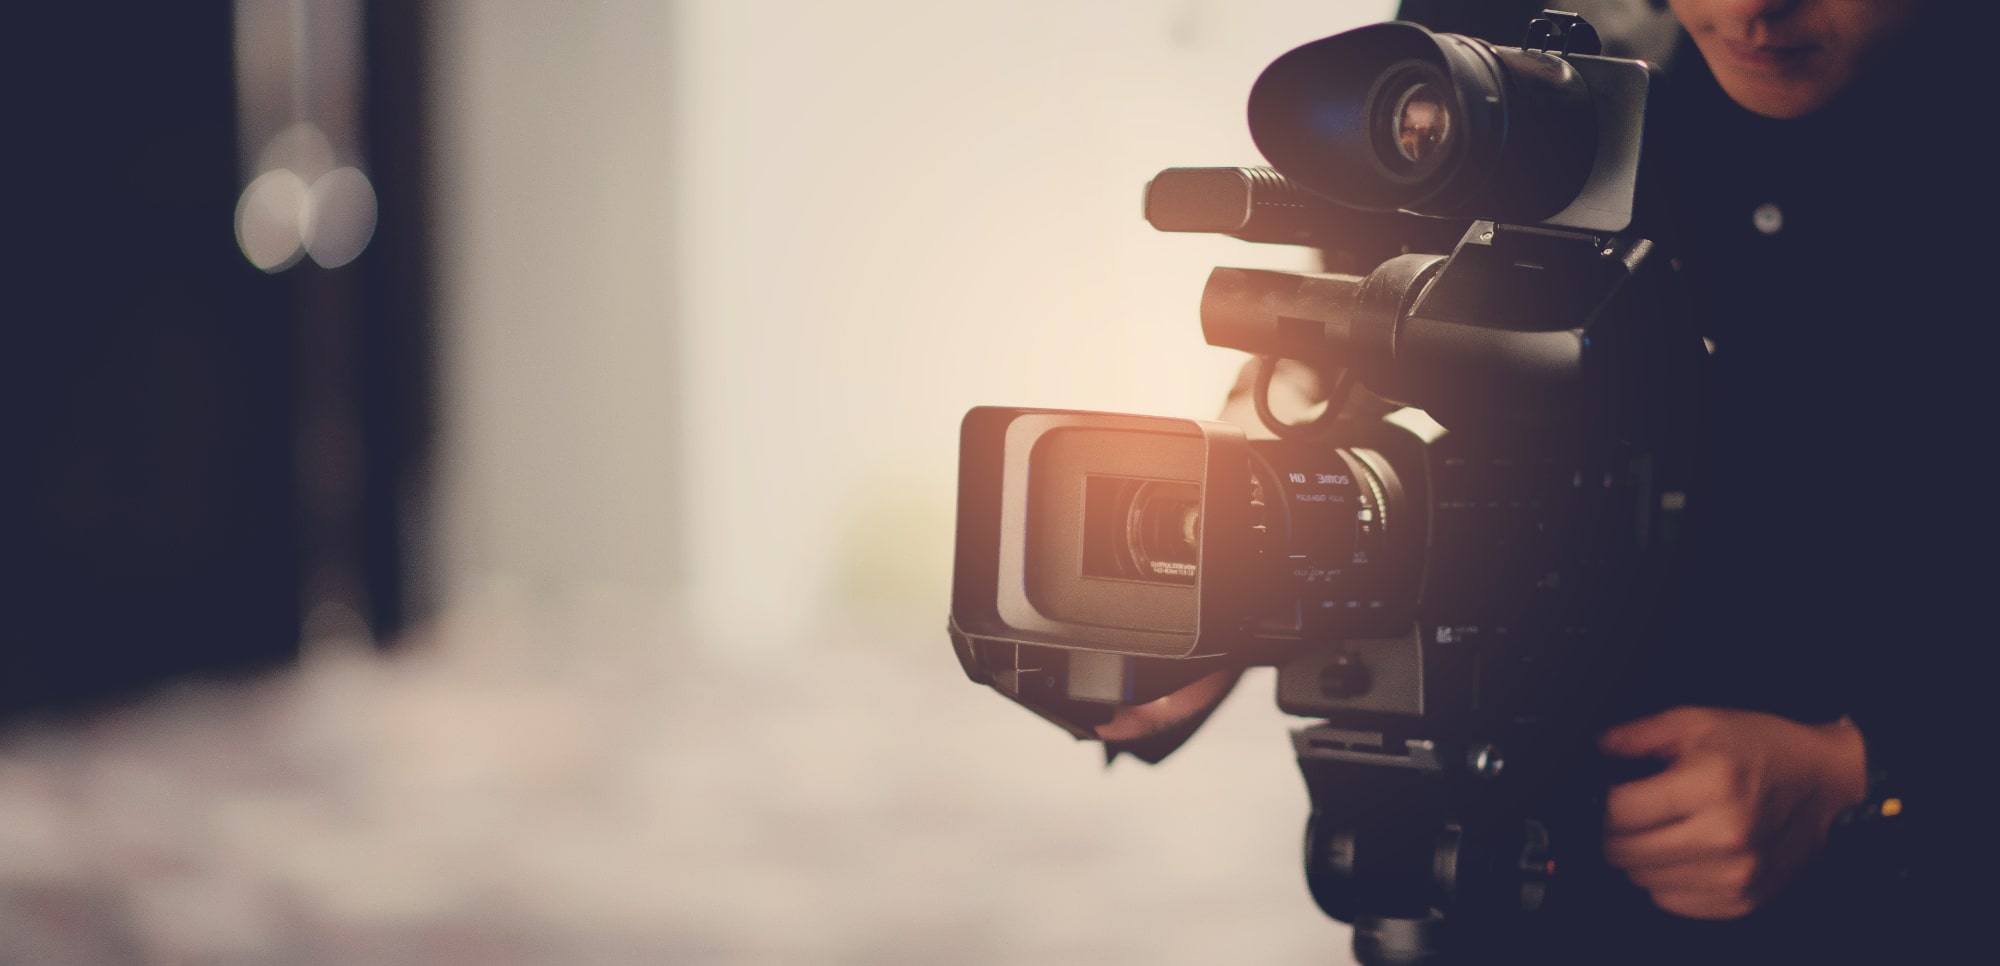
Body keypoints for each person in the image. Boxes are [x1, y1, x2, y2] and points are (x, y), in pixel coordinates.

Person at [1097, 0, 1986, 960]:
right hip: (1486, 875)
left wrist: (1867, 777)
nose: (1748, 9)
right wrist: (1239, 523)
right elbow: (1350, 331)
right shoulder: (1481, 28)